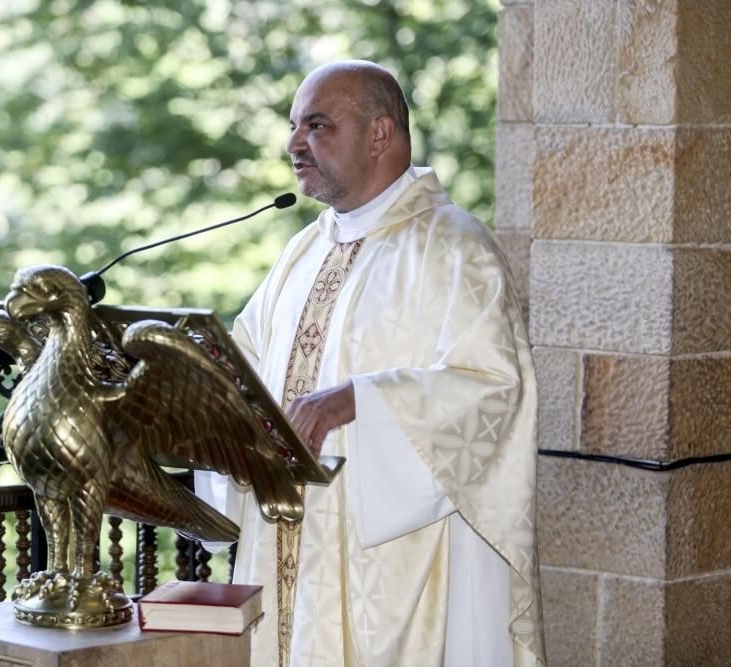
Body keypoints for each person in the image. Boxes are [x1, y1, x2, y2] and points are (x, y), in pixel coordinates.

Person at [196, 60, 544, 666]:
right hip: (289, 545)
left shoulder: (454, 247)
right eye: (294, 126)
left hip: (393, 562)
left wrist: (361, 398)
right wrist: (194, 380)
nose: (293, 144)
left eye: (317, 125)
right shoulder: (303, 251)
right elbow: (245, 363)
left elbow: (495, 390)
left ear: (380, 135)